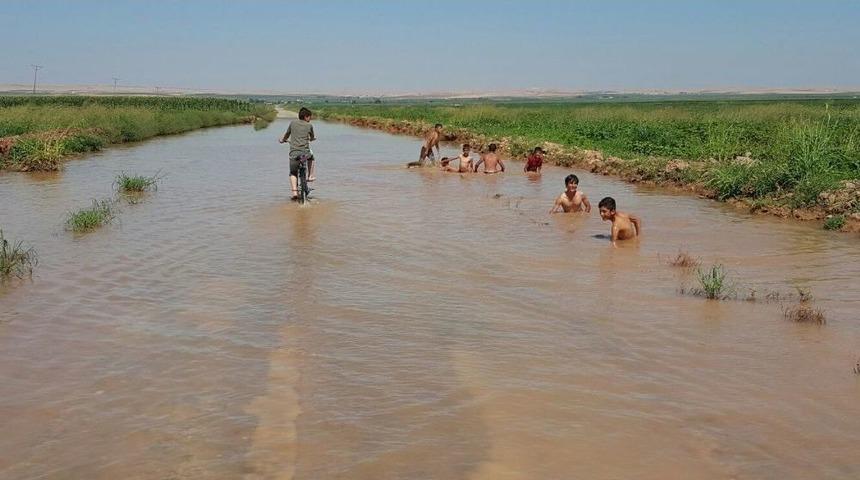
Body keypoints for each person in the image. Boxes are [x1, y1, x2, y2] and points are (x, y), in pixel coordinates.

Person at [279, 107, 316, 200]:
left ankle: (294, 193)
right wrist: (312, 139)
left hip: (294, 156)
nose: (310, 119)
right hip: (304, 156)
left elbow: (287, 134)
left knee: (293, 173)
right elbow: (312, 137)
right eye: (309, 117)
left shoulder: (292, 123)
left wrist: (282, 140)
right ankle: (310, 175)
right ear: (306, 117)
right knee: (311, 157)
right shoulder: (309, 125)